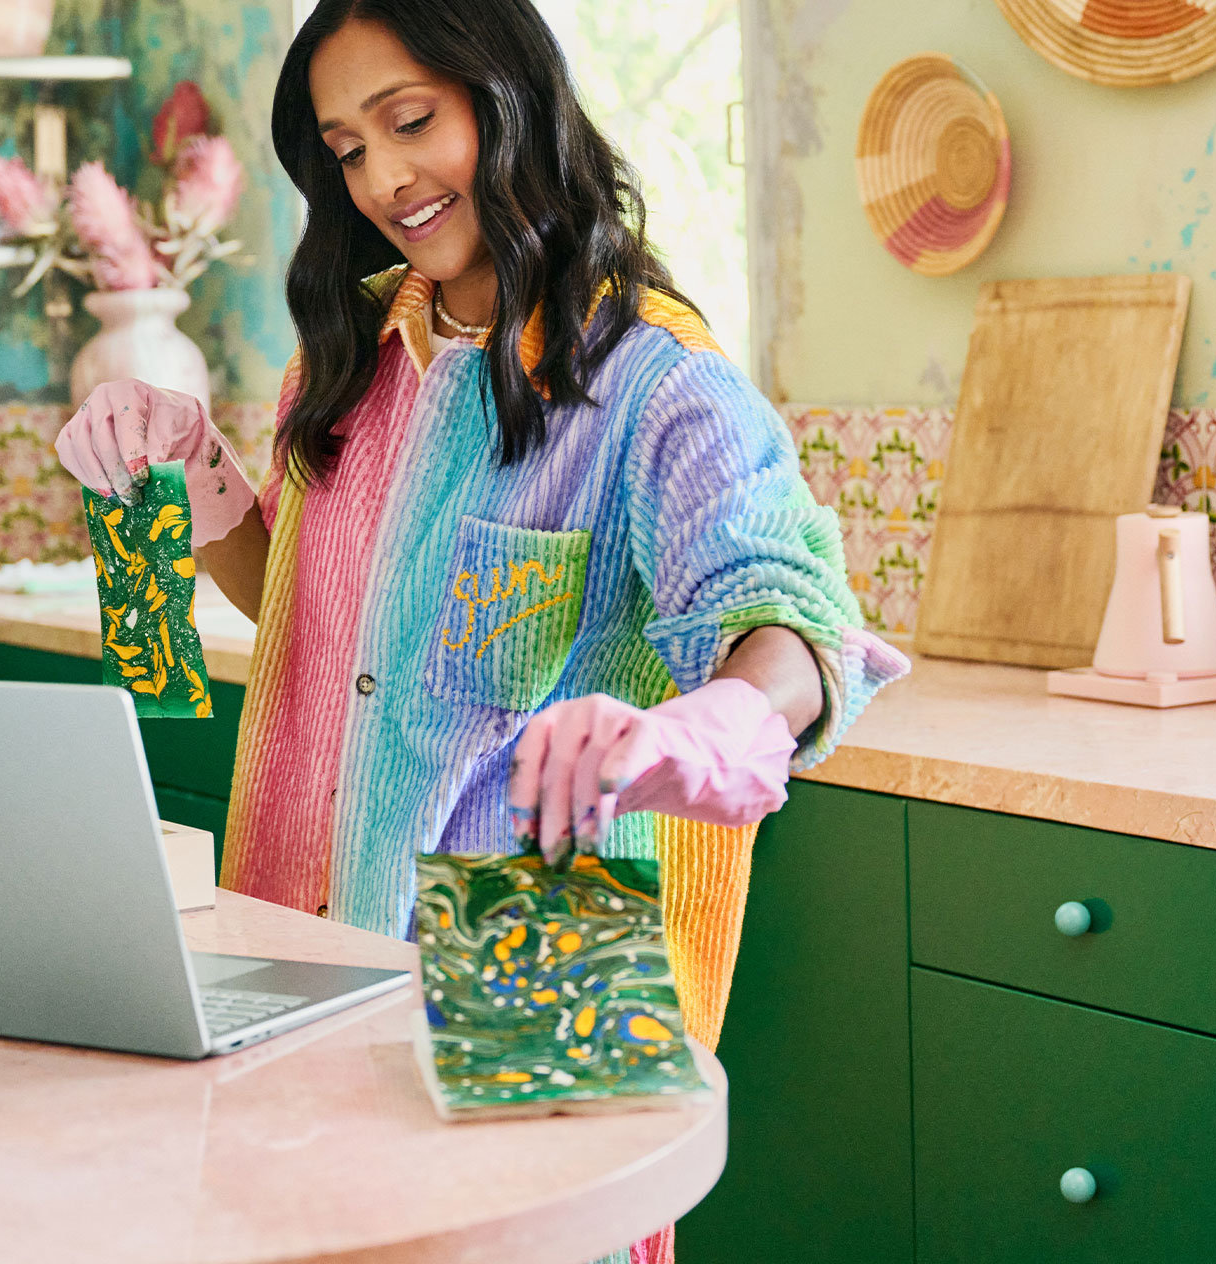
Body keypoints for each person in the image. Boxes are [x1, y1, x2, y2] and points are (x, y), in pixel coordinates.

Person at [56, 1, 907, 1258]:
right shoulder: (347, 357)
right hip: (301, 938)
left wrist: (718, 719)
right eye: (347, 147)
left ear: (510, 99)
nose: (385, 177)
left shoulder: (652, 379)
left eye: (412, 120)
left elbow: (787, 611)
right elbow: (313, 611)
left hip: (530, 978)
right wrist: (197, 472)